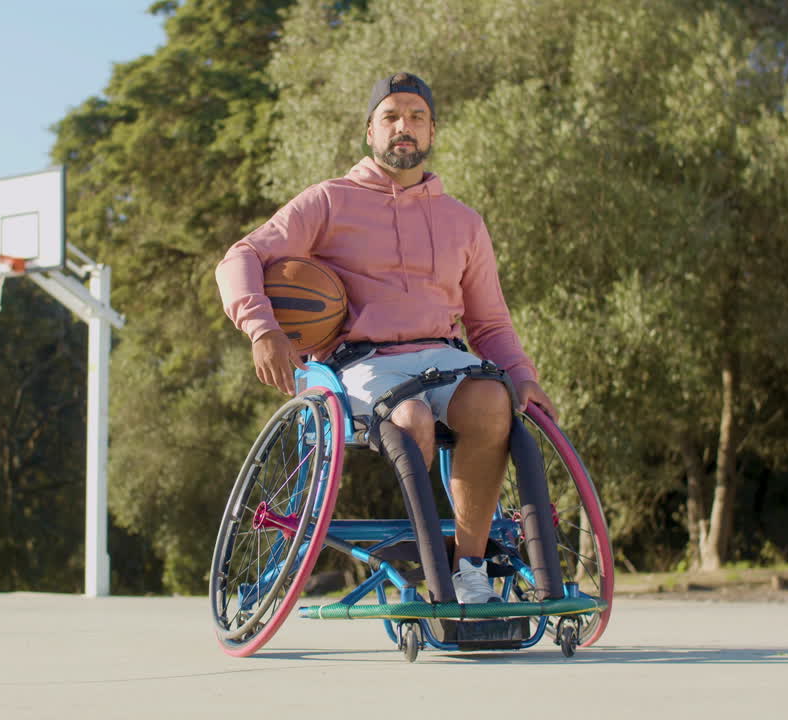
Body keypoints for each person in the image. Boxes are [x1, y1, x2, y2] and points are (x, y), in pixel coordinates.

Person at [215, 72, 558, 604]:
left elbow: (489, 323)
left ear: (432, 132)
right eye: (391, 116)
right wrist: (262, 328)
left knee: (494, 402)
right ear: (370, 131)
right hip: (359, 362)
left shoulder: (463, 222)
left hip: (444, 358)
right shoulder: (328, 202)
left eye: (417, 117)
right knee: (412, 417)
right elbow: (241, 257)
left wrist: (522, 376)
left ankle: (467, 570)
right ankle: (429, 567)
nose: (405, 127)